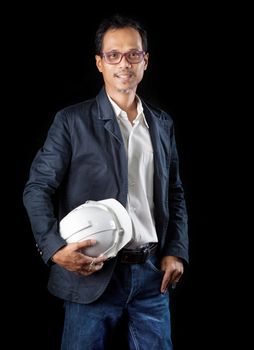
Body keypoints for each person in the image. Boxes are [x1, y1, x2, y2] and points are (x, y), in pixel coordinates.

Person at [23, 14, 189, 350]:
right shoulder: (71, 122)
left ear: (146, 61)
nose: (123, 63)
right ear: (100, 63)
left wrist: (176, 251)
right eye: (113, 55)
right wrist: (55, 249)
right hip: (92, 274)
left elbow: (175, 193)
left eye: (133, 54)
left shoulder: (161, 124)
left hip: (150, 276)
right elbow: (37, 188)